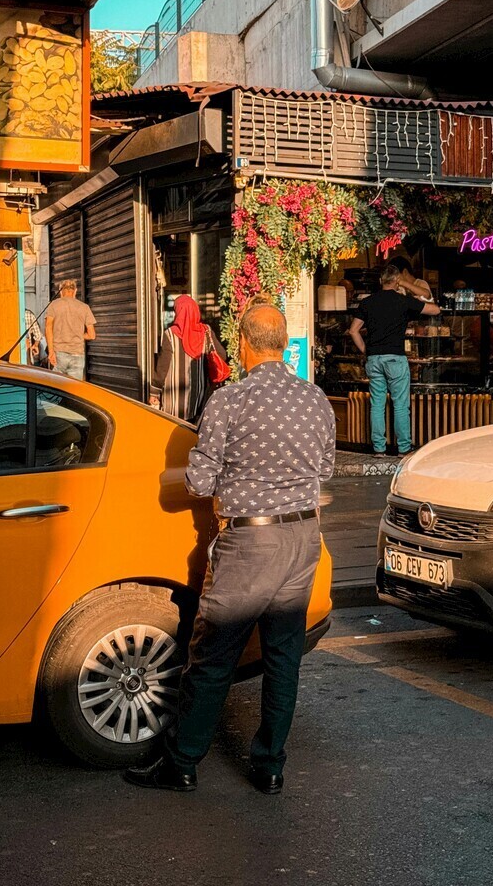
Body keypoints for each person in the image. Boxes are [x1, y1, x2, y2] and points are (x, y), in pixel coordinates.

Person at [124, 303, 335, 795]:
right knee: (284, 659)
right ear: (283, 344)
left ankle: (182, 763)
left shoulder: (230, 400)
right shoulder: (316, 399)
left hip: (248, 544)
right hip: (302, 539)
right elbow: (324, 470)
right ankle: (270, 767)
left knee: (213, 655)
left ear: (242, 343)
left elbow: (198, 480)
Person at [349, 264, 440, 457]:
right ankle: (404, 448)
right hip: (395, 358)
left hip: (374, 359)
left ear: (381, 281)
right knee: (400, 405)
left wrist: (366, 350)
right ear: (396, 281)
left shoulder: (367, 302)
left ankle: (379, 449)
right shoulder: (403, 301)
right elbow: (435, 310)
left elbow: (353, 330)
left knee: (377, 404)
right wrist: (407, 285)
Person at [150, 295, 226, 422]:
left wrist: (154, 393)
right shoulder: (206, 331)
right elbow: (222, 355)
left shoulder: (170, 334)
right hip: (199, 397)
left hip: (173, 401)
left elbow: (163, 368)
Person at [45, 279, 96, 380]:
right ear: (75, 291)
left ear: (60, 291)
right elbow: (92, 335)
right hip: (78, 355)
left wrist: (51, 352)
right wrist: (77, 334)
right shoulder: (84, 307)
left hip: (58, 354)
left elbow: (48, 327)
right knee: (74, 390)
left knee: (56, 389)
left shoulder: (53, 305)